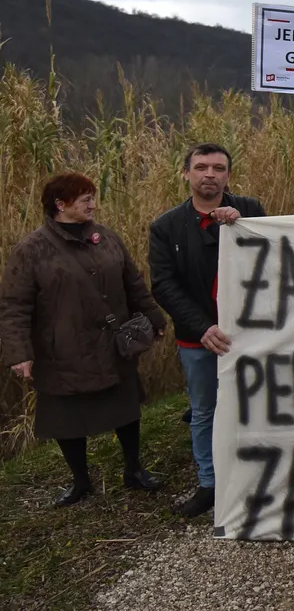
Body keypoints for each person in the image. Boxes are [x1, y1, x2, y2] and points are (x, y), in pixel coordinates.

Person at [0, 173, 168, 506]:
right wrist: (19, 352)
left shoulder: (105, 237)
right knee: (67, 420)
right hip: (62, 351)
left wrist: (154, 318)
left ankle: (134, 470)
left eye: (93, 197)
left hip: (112, 346)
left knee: (125, 408)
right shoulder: (32, 249)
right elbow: (14, 305)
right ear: (60, 205)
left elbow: (133, 283)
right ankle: (81, 482)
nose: (93, 204)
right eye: (85, 199)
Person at [149, 143, 266, 518]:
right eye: (201, 167)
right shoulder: (166, 227)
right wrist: (202, 327)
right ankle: (210, 483)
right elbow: (164, 284)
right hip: (198, 338)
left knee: (256, 405)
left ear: (229, 175)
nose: (209, 174)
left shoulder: (250, 210)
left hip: (251, 333)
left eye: (218, 168)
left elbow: (273, 260)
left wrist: (245, 227)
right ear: (186, 173)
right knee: (204, 411)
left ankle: (258, 477)